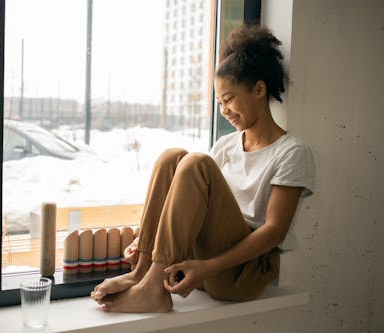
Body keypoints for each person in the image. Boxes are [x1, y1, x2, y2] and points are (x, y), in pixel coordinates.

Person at [90, 23, 315, 313]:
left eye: (230, 99)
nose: (224, 111)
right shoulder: (226, 145)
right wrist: (144, 240)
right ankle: (142, 271)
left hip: (240, 273)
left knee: (196, 163)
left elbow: (274, 232)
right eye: (219, 102)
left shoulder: (292, 152)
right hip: (201, 263)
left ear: (259, 89)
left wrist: (207, 267)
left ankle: (153, 289)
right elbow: (188, 202)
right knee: (174, 157)